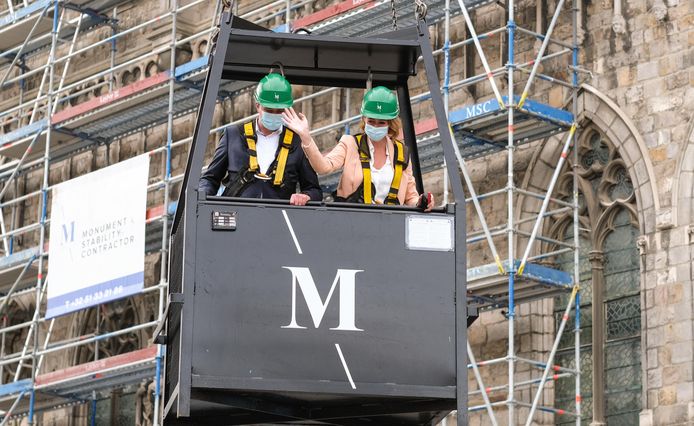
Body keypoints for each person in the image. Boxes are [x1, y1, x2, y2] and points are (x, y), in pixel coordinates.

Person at [283, 86, 433, 209]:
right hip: (352, 222)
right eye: (371, 121)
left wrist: (422, 202)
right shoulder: (350, 144)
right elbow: (323, 167)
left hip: (390, 225)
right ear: (364, 119)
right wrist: (306, 137)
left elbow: (411, 197)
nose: (375, 126)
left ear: (391, 123)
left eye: (381, 122)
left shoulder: (401, 153)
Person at [199, 73, 322, 205]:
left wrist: (306, 196)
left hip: (277, 220)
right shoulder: (233, 135)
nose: (274, 114)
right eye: (269, 109)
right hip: (237, 218)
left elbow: (314, 190)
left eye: (279, 110)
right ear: (257, 105)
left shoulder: (297, 142)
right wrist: (202, 200)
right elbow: (210, 179)